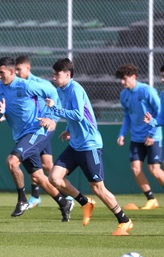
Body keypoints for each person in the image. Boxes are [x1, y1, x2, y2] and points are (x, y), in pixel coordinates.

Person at [46, 58, 133, 236]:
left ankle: (124, 220)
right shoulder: (61, 90)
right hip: (75, 144)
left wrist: (55, 109)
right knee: (54, 178)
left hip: (89, 144)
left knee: (98, 188)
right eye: (53, 74)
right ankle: (85, 203)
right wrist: (69, 130)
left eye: (57, 74)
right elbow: (75, 116)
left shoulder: (76, 89)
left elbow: (78, 114)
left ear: (68, 75)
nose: (54, 77)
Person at [0, 56, 74, 222]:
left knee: (12, 161)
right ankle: (63, 202)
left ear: (11, 71)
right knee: (38, 176)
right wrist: (0, 112)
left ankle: (22, 199)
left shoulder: (26, 85)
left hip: (37, 130)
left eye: (1, 73)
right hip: (22, 135)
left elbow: (52, 93)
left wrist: (52, 118)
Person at [115, 63, 163, 211]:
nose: (122, 82)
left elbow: (159, 112)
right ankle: (151, 199)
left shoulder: (147, 91)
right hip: (136, 137)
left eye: (125, 79)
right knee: (136, 169)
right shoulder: (124, 95)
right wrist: (122, 133)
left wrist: (152, 134)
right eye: (121, 80)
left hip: (153, 136)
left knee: (154, 170)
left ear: (133, 77)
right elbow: (127, 116)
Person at [15, 55, 57, 209]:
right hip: (30, 129)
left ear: (28, 68)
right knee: (45, 165)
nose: (17, 72)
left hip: (41, 129)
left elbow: (55, 99)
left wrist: (51, 119)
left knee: (40, 165)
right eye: (15, 70)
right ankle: (37, 195)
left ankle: (63, 195)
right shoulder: (17, 86)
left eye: (19, 69)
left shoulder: (40, 84)